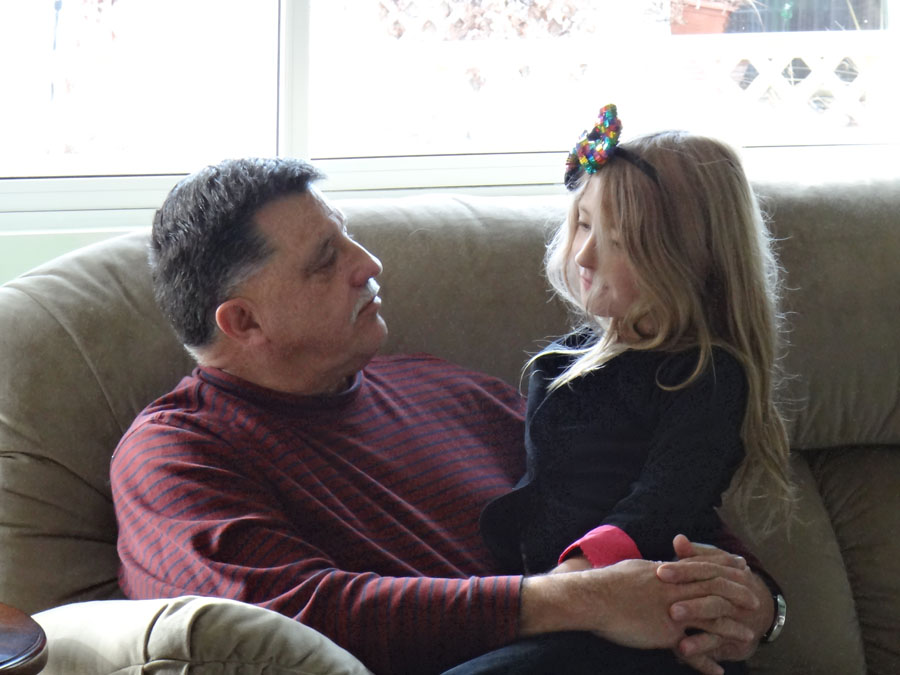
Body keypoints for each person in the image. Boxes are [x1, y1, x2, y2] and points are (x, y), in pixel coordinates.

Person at [110, 156, 778, 675]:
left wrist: (750, 601)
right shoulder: (177, 452)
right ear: (244, 321)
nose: (368, 264)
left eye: (348, 237)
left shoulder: (443, 386)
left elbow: (644, 492)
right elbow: (285, 624)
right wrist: (583, 600)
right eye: (325, 262)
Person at [475, 105, 792, 674]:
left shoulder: (704, 374)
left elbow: (660, 506)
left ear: (688, 260)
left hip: (648, 624)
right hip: (566, 612)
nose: (584, 254)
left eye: (617, 241)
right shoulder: (564, 361)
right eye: (583, 223)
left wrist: (568, 585)